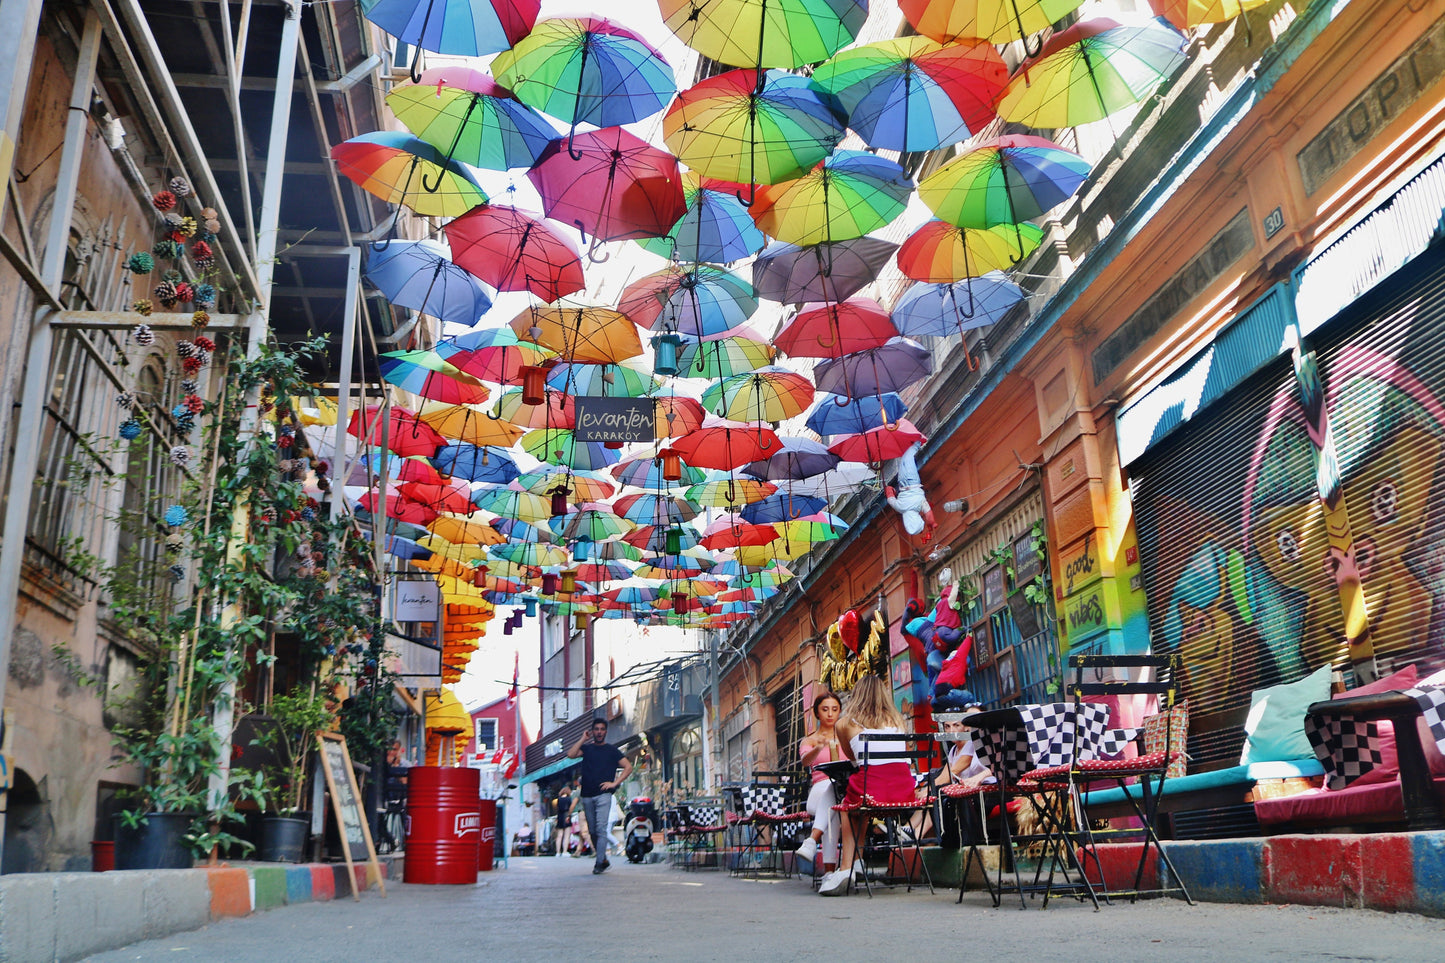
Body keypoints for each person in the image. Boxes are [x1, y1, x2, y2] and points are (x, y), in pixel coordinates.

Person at [819, 674, 915, 897]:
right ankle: (858, 861)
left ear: (856, 695)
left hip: (872, 790)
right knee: (858, 805)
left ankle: (846, 869)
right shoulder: (898, 721)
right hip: (904, 792)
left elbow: (853, 760)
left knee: (847, 807)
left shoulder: (845, 723)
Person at [566, 718, 633, 875]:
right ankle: (603, 859)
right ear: (593, 731)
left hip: (604, 794)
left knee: (601, 829)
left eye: (602, 729)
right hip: (587, 795)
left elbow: (628, 767)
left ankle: (598, 863)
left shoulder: (612, 750)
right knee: (593, 831)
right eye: (596, 729)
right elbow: (571, 754)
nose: (599, 732)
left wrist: (615, 783)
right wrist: (583, 738)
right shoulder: (587, 749)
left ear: (606, 732)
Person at [793, 691, 843, 872]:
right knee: (834, 803)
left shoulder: (845, 736)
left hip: (843, 792)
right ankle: (833, 869)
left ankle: (813, 843)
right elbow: (805, 761)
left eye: (834, 709)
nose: (830, 714)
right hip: (819, 788)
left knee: (835, 809)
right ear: (817, 713)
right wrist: (819, 747)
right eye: (825, 709)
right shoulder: (810, 740)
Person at [552, 784, 574, 858]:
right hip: (566, 815)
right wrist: (568, 816)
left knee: (559, 835)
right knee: (567, 835)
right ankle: (564, 851)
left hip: (560, 816)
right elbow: (570, 808)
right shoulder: (569, 799)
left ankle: (558, 852)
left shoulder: (558, 799)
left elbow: (557, 809)